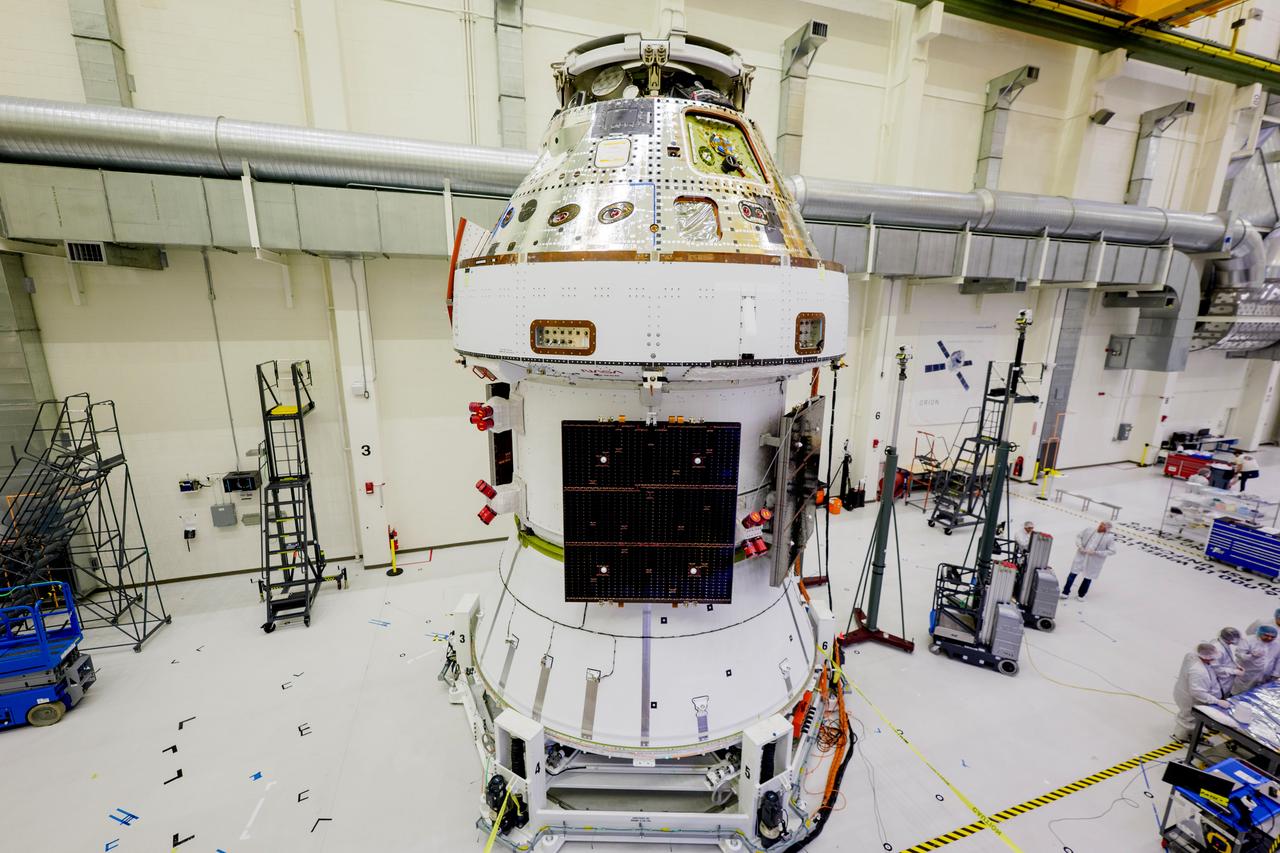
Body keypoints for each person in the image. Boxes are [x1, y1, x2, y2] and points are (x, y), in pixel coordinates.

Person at [1172, 641, 1231, 742]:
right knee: (1188, 718)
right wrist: (1217, 701)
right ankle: (1182, 737)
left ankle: (1190, 734)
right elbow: (1197, 692)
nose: (1214, 659)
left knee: (1189, 717)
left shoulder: (1192, 656)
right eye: (1212, 657)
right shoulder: (1198, 672)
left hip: (1184, 691)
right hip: (1190, 699)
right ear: (1206, 657)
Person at [1061, 521, 1116, 599]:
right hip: (1081, 556)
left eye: (1103, 526)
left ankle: (1081, 595)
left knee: (1088, 578)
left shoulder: (1109, 538)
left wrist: (1096, 552)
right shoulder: (1089, 530)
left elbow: (1112, 551)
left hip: (1093, 561)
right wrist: (1080, 546)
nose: (1100, 527)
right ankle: (1065, 592)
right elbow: (1079, 536)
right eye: (1101, 525)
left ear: (1107, 529)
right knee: (1072, 574)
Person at [1232, 624, 1280, 695]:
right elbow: (1239, 655)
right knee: (1240, 693)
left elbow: (1278, 660)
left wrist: (1276, 674)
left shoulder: (1277, 644)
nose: (1269, 638)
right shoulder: (1248, 641)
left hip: (1265, 677)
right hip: (1248, 675)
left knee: (1258, 695)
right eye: (1266, 636)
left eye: (1272, 637)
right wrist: (1251, 656)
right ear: (1259, 633)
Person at [1211, 627, 1244, 697]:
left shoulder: (1224, 644)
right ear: (1229, 639)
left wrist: (1236, 666)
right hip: (1220, 683)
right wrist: (1234, 671)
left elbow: (1227, 660)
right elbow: (1215, 668)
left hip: (1226, 680)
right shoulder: (1219, 650)